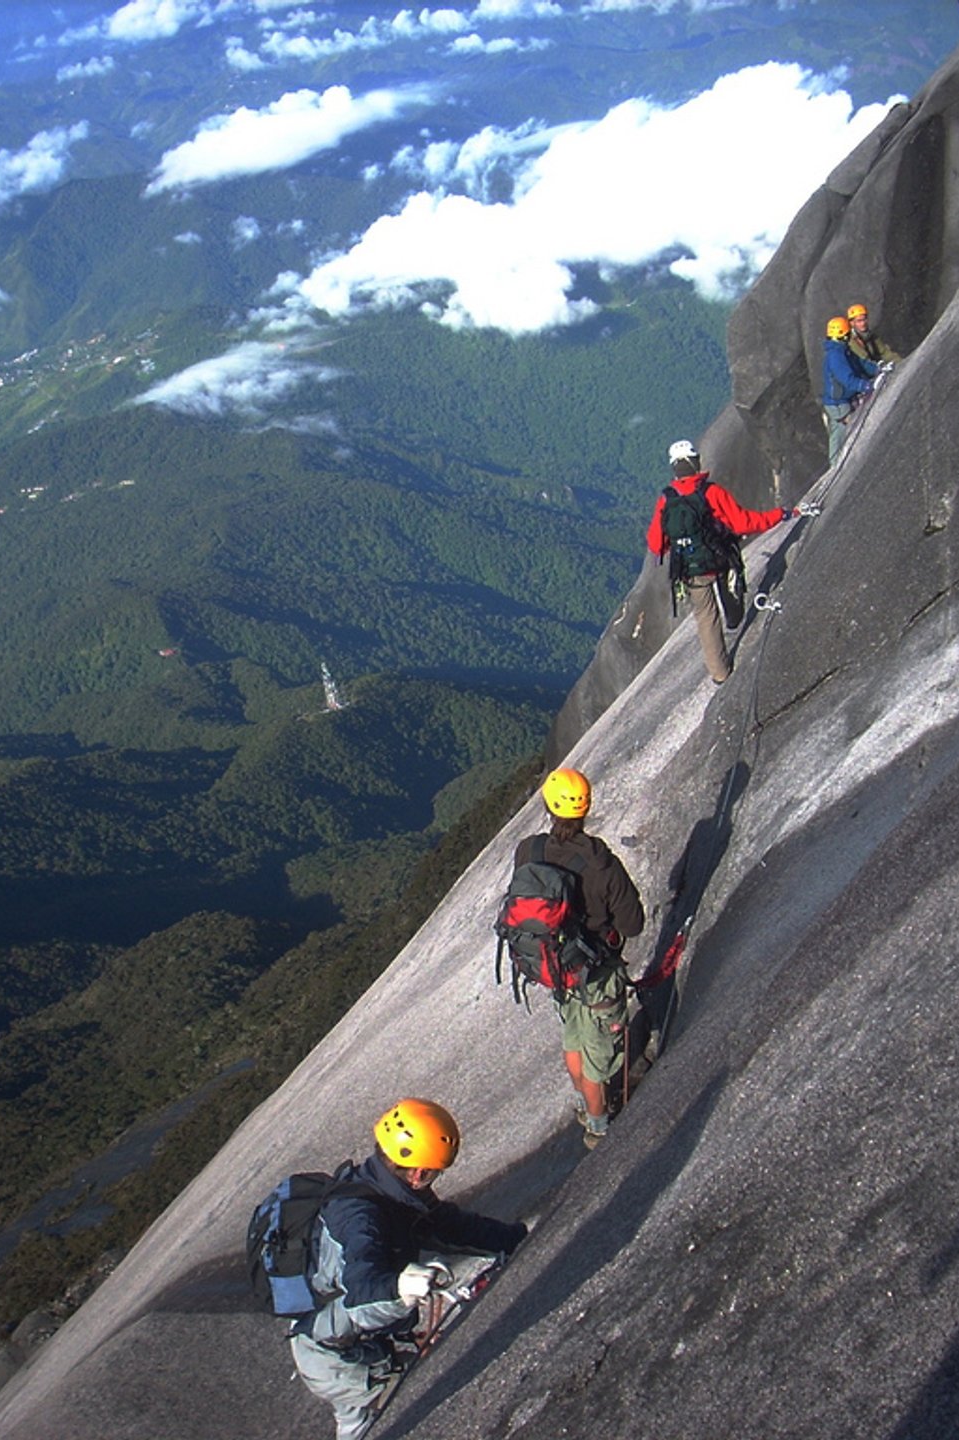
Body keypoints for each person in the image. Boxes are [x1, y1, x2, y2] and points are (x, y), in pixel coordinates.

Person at [288, 1099, 527, 1440]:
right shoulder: (358, 1218)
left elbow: (448, 1226)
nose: (432, 1181)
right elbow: (361, 1298)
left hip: (334, 1334)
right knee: (364, 1420)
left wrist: (511, 1238)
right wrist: (400, 1289)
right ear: (418, 1173)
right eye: (433, 1173)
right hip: (330, 1352)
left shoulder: (389, 1190)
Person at [516, 768, 645, 1148]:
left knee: (573, 1038)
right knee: (597, 1059)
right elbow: (632, 924)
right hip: (597, 974)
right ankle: (598, 1127)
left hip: (554, 967)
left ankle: (583, 1104)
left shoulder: (528, 849)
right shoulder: (602, 865)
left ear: (548, 806)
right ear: (586, 808)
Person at [646, 439, 800, 685]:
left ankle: (719, 673)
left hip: (689, 569)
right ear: (694, 463)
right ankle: (735, 614)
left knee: (706, 617)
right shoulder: (711, 492)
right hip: (720, 559)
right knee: (732, 578)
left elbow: (656, 544)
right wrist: (780, 515)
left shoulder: (667, 499)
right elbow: (744, 523)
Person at [818, 315, 874, 466]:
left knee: (839, 434)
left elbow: (860, 364)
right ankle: (836, 467)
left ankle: (836, 466)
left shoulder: (843, 351)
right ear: (844, 334)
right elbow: (846, 379)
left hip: (842, 400)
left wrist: (877, 368)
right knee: (842, 434)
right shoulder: (836, 356)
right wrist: (864, 386)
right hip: (838, 404)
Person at [845, 302, 905, 369]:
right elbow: (865, 361)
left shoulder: (871, 336)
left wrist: (902, 363)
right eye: (859, 321)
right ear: (852, 323)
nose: (863, 323)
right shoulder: (851, 342)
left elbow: (885, 353)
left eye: (864, 319)